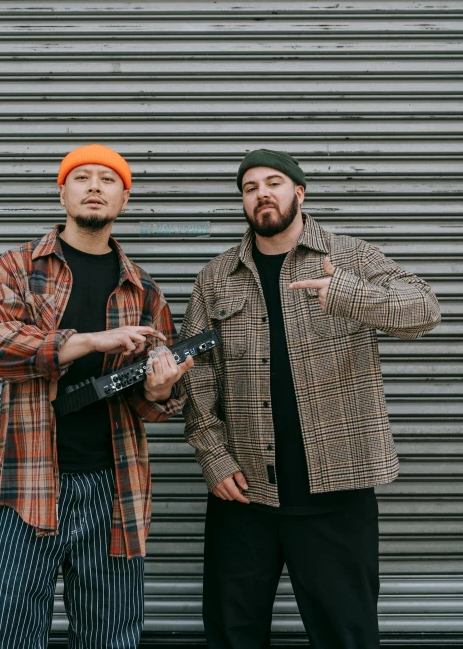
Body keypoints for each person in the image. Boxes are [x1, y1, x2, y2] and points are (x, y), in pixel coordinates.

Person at [180, 148, 441, 649]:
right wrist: (213, 455)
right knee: (233, 635)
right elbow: (198, 374)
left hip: (337, 487)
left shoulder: (348, 256)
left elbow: (424, 309)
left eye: (274, 183)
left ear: (298, 192)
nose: (262, 194)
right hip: (245, 493)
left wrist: (345, 292)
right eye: (250, 187)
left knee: (346, 634)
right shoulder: (216, 278)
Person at [0, 143, 193, 649]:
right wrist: (92, 341)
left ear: (123, 199)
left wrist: (161, 390)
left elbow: (145, 402)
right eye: (82, 177)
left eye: (108, 180)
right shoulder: (16, 268)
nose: (94, 187)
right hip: (25, 486)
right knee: (11, 636)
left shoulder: (144, 293)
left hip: (114, 492)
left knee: (110, 638)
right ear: (62, 191)